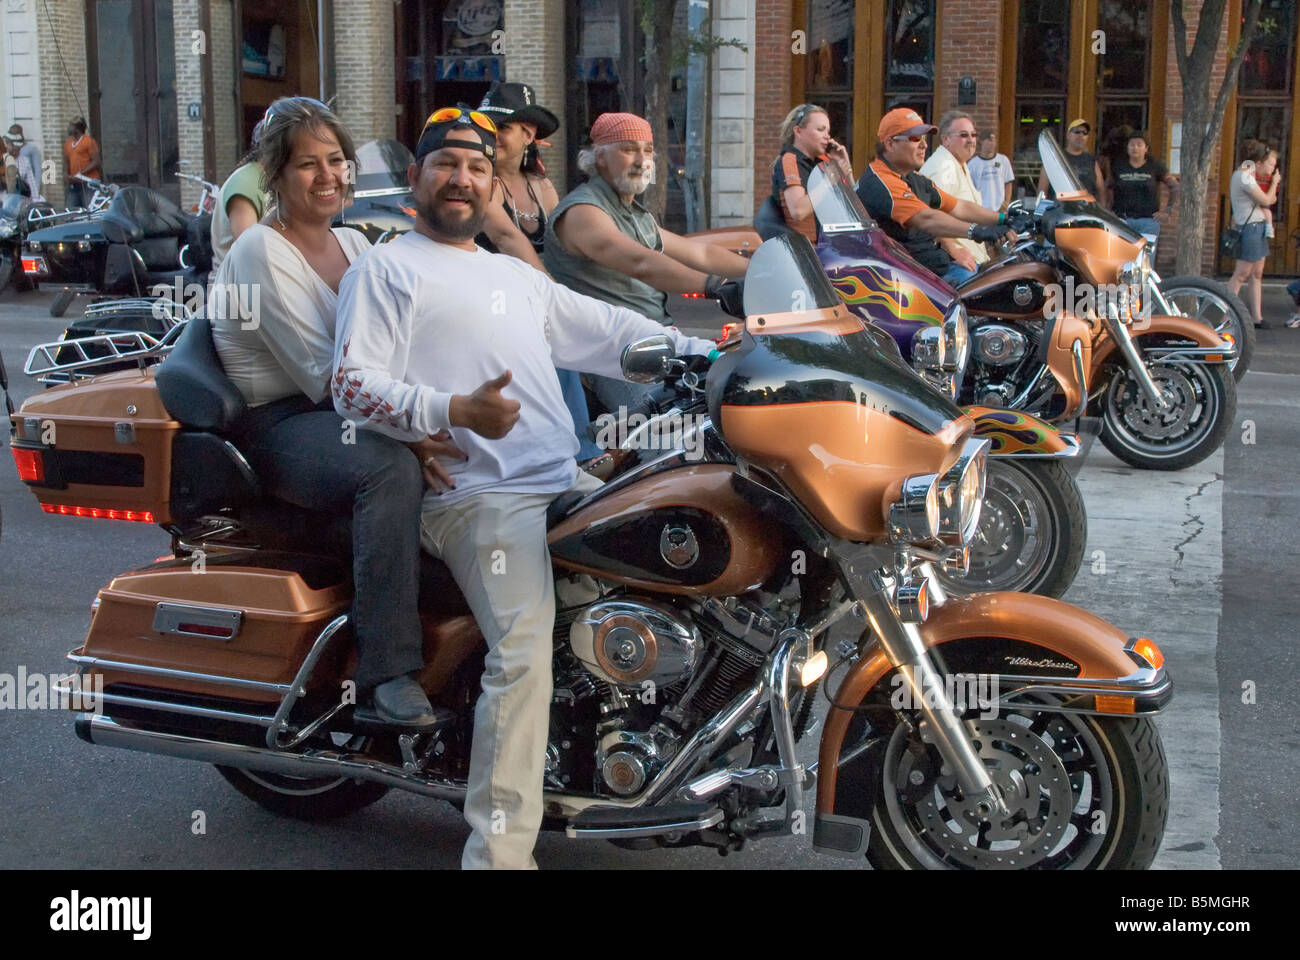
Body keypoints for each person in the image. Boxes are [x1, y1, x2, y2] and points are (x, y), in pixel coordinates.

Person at [330, 106, 716, 868]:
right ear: (416, 180)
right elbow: (350, 383)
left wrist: (712, 354)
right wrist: (447, 410)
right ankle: (497, 855)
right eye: (446, 164)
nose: (463, 178)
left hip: (559, 478)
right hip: (478, 497)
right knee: (524, 649)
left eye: (477, 167)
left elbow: (610, 332)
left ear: (495, 187)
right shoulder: (387, 267)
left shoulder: (513, 275)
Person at [207, 96, 434, 725]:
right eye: (308, 164)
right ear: (274, 175)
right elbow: (326, 376)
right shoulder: (259, 249)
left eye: (337, 159)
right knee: (389, 468)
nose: (330, 175)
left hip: (349, 406)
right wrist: (420, 434)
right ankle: (386, 670)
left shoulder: (356, 242)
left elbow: (405, 340)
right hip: (282, 421)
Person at [545, 111, 746, 413]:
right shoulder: (583, 211)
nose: (641, 160)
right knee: (667, 427)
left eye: (648, 150)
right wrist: (717, 287)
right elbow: (641, 262)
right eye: (628, 150)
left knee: (735, 388)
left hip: (653, 336)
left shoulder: (636, 215)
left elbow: (701, 253)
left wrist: (763, 273)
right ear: (599, 158)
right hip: (613, 349)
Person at [473, 82, 606, 467]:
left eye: (501, 129)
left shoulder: (540, 184)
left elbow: (566, 239)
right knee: (551, 341)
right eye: (487, 128)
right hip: (496, 294)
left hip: (542, 287)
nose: (490, 137)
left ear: (528, 134)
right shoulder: (483, 181)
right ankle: (580, 452)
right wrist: (556, 298)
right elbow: (507, 237)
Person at [855, 107, 1017, 287]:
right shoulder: (880, 181)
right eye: (915, 138)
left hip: (931, 267)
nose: (924, 144)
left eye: (924, 138)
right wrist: (978, 231)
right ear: (890, 144)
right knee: (987, 290)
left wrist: (1004, 218)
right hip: (906, 280)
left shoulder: (914, 178)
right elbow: (927, 218)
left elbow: (958, 206)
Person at [754, 102, 853, 241]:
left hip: (830, 243)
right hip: (805, 247)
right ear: (798, 131)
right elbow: (798, 211)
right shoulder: (790, 160)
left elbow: (851, 204)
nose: (827, 137)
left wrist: (846, 168)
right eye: (820, 129)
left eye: (828, 131)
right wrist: (829, 180)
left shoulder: (822, 161)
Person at [919, 110, 991, 274]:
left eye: (974, 135)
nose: (971, 140)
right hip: (956, 265)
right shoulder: (943, 167)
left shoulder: (959, 163)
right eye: (964, 135)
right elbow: (932, 214)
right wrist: (953, 251)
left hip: (970, 260)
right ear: (945, 139)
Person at [1225, 138, 1280, 329]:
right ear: (1258, 162)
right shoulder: (1244, 177)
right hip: (1250, 228)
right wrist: (1275, 183)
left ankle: (1257, 316)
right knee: (1241, 274)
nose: (1272, 168)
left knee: (1257, 274)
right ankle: (1227, 315)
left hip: (1258, 227)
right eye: (1270, 163)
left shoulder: (1248, 177)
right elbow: (1267, 200)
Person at [1108, 131, 1177, 250]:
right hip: (1123, 221)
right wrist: (1108, 210)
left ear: (1146, 148)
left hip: (1148, 222)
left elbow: (1174, 186)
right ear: (1127, 148)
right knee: (1122, 257)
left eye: (1139, 145)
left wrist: (1168, 210)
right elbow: (1107, 187)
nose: (1135, 148)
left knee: (1145, 260)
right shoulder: (1118, 166)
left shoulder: (1154, 166)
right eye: (1132, 144)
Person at [1038, 118, 1106, 207]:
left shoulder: (1091, 161)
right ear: (1068, 135)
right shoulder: (1056, 158)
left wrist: (1101, 214)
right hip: (1061, 214)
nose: (1081, 135)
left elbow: (1101, 191)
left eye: (1085, 133)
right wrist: (1042, 214)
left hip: (1086, 215)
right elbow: (1042, 192)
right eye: (1077, 132)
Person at [968, 128, 1015, 213]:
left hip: (1000, 210)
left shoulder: (1003, 160)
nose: (992, 143)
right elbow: (969, 189)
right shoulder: (973, 164)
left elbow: (1008, 183)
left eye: (994, 140)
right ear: (981, 141)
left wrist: (1007, 202)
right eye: (989, 140)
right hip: (981, 210)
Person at [62, 118, 102, 209]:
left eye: (70, 126)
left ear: (77, 129)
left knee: (89, 209)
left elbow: (96, 161)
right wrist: (66, 174)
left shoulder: (89, 141)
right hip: (74, 183)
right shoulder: (68, 143)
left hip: (88, 183)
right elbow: (66, 161)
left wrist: (81, 174)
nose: (68, 128)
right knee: (71, 210)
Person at [6, 124, 44, 200]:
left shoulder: (25, 159)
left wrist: (35, 198)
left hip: (20, 198)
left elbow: (32, 180)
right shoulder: (3, 159)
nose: (16, 151)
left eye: (18, 149)